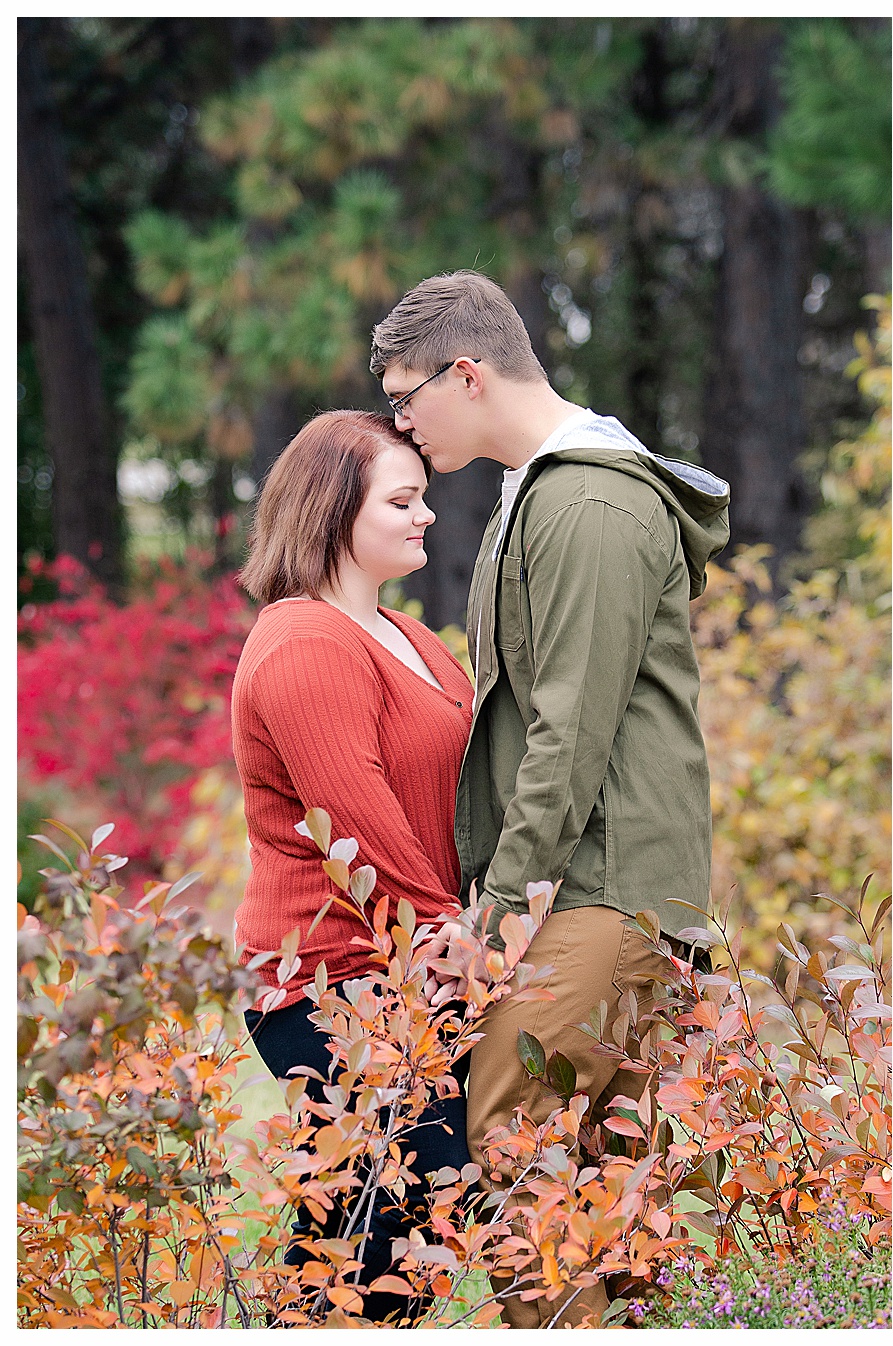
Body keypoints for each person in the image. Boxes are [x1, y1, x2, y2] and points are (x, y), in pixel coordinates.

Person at [370, 270, 730, 1328]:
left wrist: (500, 915)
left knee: (512, 1138)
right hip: (595, 887)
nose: (401, 422)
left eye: (406, 396)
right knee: (609, 1199)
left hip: (597, 888)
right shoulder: (546, 487)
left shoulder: (586, 498)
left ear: (466, 372)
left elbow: (569, 730)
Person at [232, 409, 475, 1323]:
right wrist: (451, 929)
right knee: (378, 1232)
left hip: (412, 970)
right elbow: (354, 816)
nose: (426, 518)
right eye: (402, 501)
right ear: (335, 510)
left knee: (398, 1224)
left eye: (424, 499)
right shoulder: (303, 642)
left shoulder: (411, 638)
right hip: (331, 981)